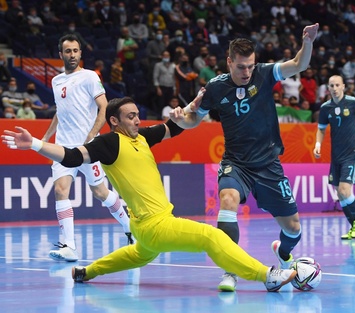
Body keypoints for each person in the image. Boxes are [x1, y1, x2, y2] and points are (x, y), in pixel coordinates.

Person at [2, 97, 297, 292]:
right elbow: (70, 156)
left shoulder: (142, 138)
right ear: (115, 121)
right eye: (130, 117)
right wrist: (37, 144)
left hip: (144, 228)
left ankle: (86, 272)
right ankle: (266, 276)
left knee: (137, 255)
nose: (137, 120)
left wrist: (191, 106)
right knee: (212, 237)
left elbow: (175, 127)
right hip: (154, 224)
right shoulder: (109, 143)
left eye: (138, 115)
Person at [170, 23, 320, 292]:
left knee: (294, 229)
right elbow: (194, 119)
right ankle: (230, 271)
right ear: (229, 62)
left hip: (268, 165)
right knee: (227, 200)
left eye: (251, 66)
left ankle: (283, 253)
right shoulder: (215, 87)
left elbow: (299, 64)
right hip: (236, 164)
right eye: (241, 67)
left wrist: (307, 41)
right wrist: (181, 120)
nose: (247, 72)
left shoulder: (264, 74)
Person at [41, 34, 132, 262]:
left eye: (75, 51)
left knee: (100, 193)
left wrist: (91, 137)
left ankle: (130, 226)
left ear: (80, 53)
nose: (71, 55)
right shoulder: (56, 81)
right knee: (61, 190)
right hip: (63, 147)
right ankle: (69, 246)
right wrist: (45, 139)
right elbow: (60, 113)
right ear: (60, 54)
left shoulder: (90, 77)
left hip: (87, 149)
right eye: (67, 51)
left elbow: (103, 108)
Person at [313, 75, 355, 240]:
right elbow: (321, 129)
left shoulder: (354, 103)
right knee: (340, 194)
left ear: (343, 86)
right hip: (336, 156)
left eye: (337, 85)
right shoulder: (326, 108)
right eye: (331, 85)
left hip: (352, 153)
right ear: (328, 88)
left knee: (344, 190)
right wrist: (317, 145)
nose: (334, 88)